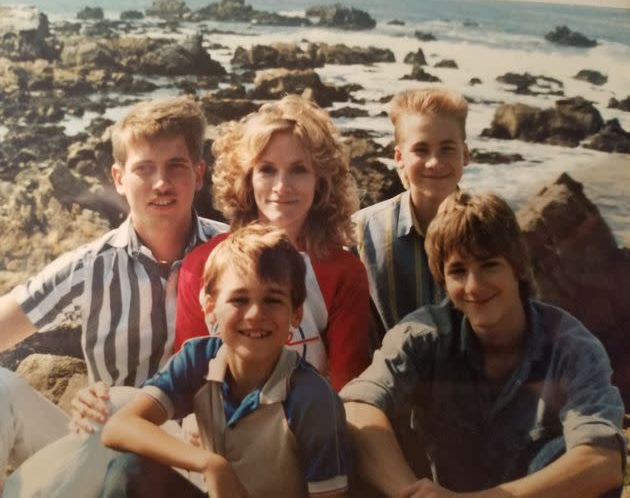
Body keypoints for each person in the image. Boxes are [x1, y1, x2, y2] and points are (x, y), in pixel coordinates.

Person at [0, 96, 227, 494]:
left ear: (199, 173)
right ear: (120, 178)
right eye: (144, 169)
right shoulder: (91, 264)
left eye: (176, 166)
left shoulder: (233, 255)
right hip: (97, 446)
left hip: (194, 450)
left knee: (120, 404)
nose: (161, 183)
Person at [341, 190, 625, 498]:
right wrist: (407, 492)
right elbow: (357, 406)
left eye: (489, 265)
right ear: (442, 280)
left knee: (571, 462)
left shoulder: (571, 347)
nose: (474, 286)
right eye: (458, 271)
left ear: (516, 267)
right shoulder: (422, 336)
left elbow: (602, 460)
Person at [100, 224, 351, 498]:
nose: (255, 313)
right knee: (131, 470)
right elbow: (118, 426)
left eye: (272, 300)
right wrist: (210, 464)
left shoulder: (312, 398)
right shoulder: (199, 359)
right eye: (239, 300)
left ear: (296, 314)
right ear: (210, 308)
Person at [175, 94, 370, 391]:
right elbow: (187, 382)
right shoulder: (200, 266)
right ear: (246, 179)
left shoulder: (344, 273)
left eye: (299, 169)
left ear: (320, 181)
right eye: (267, 169)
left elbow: (349, 389)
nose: (282, 186)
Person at [353, 87, 470, 339]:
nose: (434, 162)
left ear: (466, 154)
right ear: (399, 157)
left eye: (447, 149)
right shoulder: (361, 234)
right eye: (421, 149)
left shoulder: (490, 230)